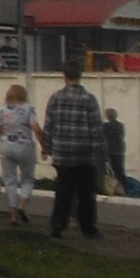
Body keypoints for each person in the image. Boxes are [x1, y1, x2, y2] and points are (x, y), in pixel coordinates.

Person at [42, 62, 104, 241]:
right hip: (84, 154)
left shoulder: (55, 98)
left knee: (63, 191)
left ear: (64, 75)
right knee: (86, 193)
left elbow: (49, 126)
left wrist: (47, 147)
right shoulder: (89, 99)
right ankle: (88, 228)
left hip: (62, 154)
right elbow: (95, 128)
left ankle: (58, 225)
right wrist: (99, 152)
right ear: (80, 75)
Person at [0, 81, 39, 225]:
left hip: (6, 146)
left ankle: (13, 215)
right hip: (25, 146)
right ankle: (22, 207)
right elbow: (36, 129)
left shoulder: (3, 110)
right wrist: (44, 146)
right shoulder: (29, 109)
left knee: (10, 181)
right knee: (27, 179)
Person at [103, 106, 135, 198]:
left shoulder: (106, 126)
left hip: (110, 151)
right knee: (120, 170)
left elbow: (106, 139)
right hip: (120, 150)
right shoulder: (120, 125)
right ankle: (124, 188)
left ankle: (113, 189)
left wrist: (106, 153)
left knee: (110, 172)